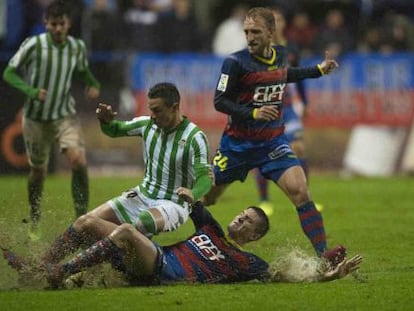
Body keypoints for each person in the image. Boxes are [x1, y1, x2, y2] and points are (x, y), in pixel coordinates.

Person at [2, 82, 213, 272]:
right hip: (142, 195)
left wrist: (193, 194)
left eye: (157, 110)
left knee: (142, 224)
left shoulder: (195, 137)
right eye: (151, 110)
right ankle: (39, 266)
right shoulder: (147, 125)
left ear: (175, 107)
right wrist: (105, 121)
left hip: (173, 203)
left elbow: (205, 177)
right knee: (85, 222)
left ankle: (81, 267)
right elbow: (115, 129)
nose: (153, 115)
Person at [203, 7, 342, 260]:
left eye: (255, 31)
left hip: (272, 143)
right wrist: (253, 113)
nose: (250, 37)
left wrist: (318, 70)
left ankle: (324, 257)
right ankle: (197, 245)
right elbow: (219, 101)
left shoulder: (281, 55)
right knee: (207, 198)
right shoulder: (234, 62)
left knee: (300, 191)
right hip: (237, 146)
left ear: (270, 32)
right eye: (246, 32)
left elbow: (286, 75)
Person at [2, 202, 362, 288]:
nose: (239, 220)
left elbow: (284, 276)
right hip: (149, 261)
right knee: (87, 222)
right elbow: (190, 198)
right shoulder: (212, 227)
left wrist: (330, 275)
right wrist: (186, 192)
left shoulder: (245, 262)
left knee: (124, 231)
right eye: (240, 215)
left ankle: (56, 273)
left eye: (247, 222)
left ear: (254, 236)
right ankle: (38, 265)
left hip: (164, 270)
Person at [2, 0, 101, 240]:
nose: (57, 28)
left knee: (78, 160)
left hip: (64, 115)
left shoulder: (76, 47)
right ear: (46, 23)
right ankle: (35, 217)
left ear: (69, 24)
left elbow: (82, 71)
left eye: (62, 24)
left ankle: (82, 218)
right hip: (36, 117)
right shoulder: (34, 45)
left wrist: (93, 84)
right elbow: (9, 72)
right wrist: (32, 92)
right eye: (53, 24)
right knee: (38, 172)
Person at [253, 8, 310, 215]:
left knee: (300, 148)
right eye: (272, 20)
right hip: (266, 108)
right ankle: (264, 200)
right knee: (261, 154)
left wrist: (305, 101)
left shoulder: (292, 48)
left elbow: (299, 75)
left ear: (284, 23)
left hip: (287, 107)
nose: (276, 23)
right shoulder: (258, 47)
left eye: (279, 19)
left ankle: (306, 196)